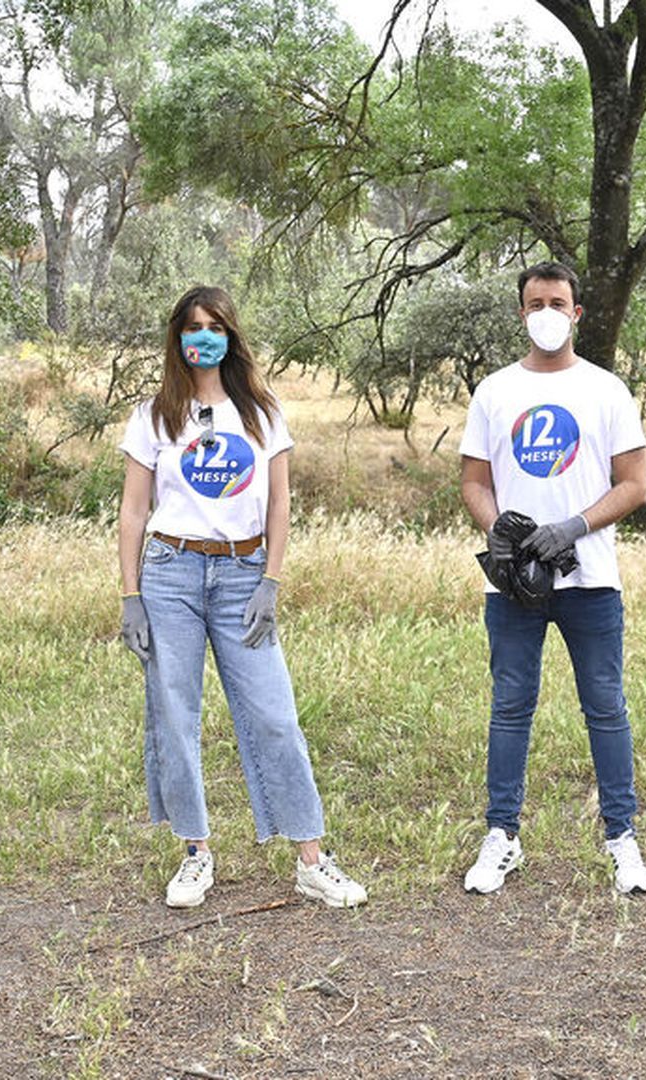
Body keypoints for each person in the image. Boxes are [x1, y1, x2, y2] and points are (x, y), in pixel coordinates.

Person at [116, 284, 366, 909]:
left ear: (231, 336)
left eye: (215, 327)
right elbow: (132, 508)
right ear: (176, 336)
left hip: (242, 575)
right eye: (192, 327)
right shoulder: (154, 415)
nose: (203, 338)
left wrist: (272, 581)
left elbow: (281, 501)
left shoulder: (260, 410)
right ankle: (196, 853)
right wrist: (130, 594)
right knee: (175, 713)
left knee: (274, 713)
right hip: (170, 571)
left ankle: (311, 858)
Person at [457, 262, 646, 896]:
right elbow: (474, 481)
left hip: (590, 580)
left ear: (576, 314)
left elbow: (635, 484)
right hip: (514, 586)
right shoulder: (494, 391)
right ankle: (501, 836)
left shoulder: (606, 390)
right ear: (522, 313)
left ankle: (621, 839)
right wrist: (505, 541)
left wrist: (572, 527)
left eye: (558, 301)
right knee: (510, 706)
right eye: (535, 302)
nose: (546, 311)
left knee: (606, 706)